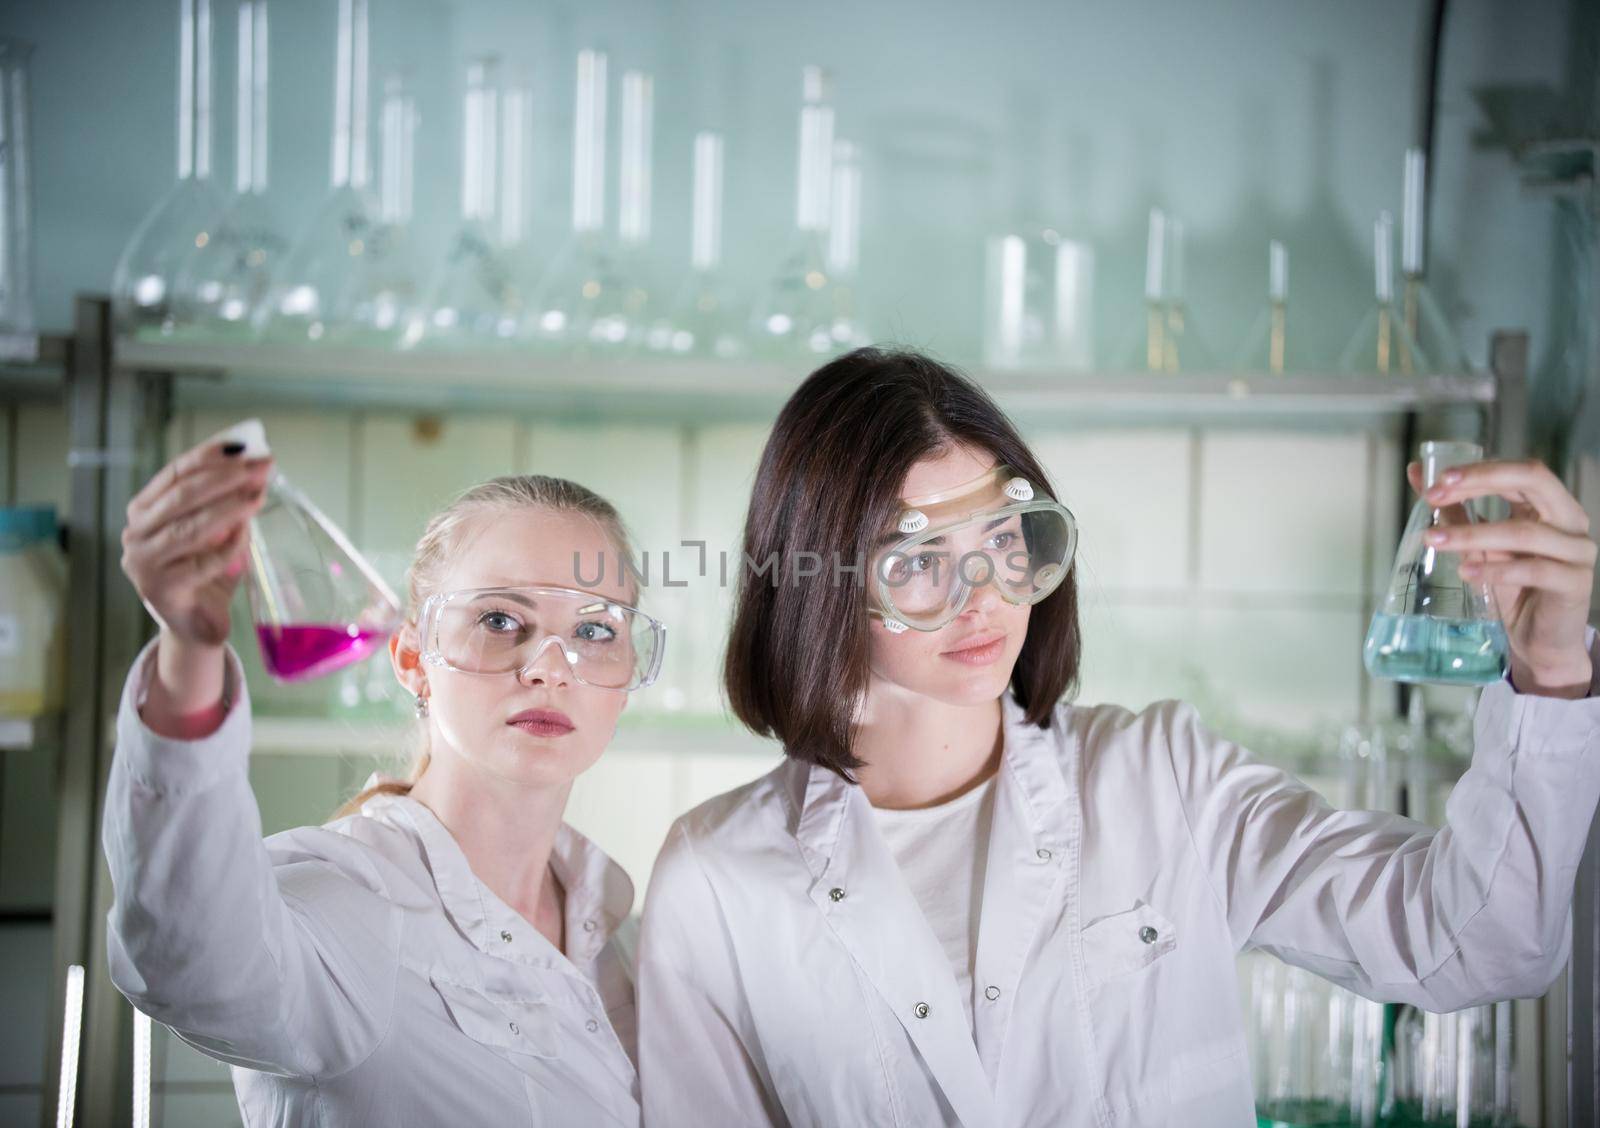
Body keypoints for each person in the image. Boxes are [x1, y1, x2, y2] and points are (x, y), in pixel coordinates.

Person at [636, 347, 1600, 1127]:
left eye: (1006, 541)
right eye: (920, 558)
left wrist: (1552, 673)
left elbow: (1480, 945)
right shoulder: (717, 880)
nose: (986, 597)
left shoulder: (1160, 778)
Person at [104, 434, 665, 1126]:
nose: (550, 667)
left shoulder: (631, 946)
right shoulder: (351, 898)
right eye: (500, 620)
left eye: (595, 631)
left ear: (629, 674)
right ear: (411, 659)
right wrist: (189, 652)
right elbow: (194, 962)